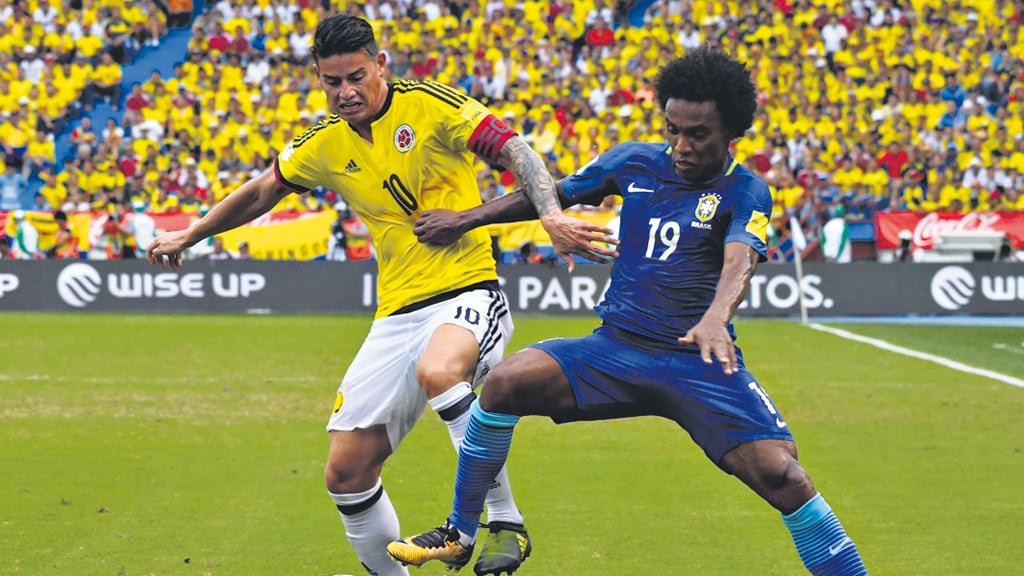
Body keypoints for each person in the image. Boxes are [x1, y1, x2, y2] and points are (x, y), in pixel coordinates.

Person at [145, 14, 612, 576]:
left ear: (381, 65)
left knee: (441, 372)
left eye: (357, 76)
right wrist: (192, 232)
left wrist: (550, 215)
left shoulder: (432, 107)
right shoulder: (325, 143)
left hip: (468, 290)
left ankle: (501, 521)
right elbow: (265, 189)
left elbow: (517, 152)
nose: (345, 92)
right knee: (346, 474)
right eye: (331, 81)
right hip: (396, 313)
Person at [387, 47, 869, 576]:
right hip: (614, 349)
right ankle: (461, 532)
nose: (681, 146)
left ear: (732, 132)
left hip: (697, 361)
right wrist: (466, 219)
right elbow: (556, 193)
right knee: (503, 383)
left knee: (786, 478)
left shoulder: (745, 189)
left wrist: (714, 317)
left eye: (698, 135)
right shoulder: (633, 161)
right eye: (673, 129)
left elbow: (741, 257)